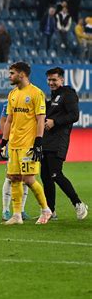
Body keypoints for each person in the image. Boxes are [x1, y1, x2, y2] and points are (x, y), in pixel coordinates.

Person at [0, 62, 52, 225]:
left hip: (28, 144)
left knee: (29, 179)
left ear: (22, 74)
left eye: (12, 73)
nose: (10, 76)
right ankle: (16, 215)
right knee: (14, 178)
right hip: (14, 144)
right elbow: (9, 120)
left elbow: (40, 119)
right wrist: (4, 141)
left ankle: (45, 210)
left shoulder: (36, 93)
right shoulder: (12, 94)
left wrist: (38, 141)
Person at [41, 67, 88, 220]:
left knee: (56, 174)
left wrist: (55, 122)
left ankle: (78, 203)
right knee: (46, 176)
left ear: (62, 80)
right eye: (49, 80)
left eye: (54, 80)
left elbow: (74, 115)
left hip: (59, 139)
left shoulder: (68, 94)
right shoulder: (54, 97)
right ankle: (50, 211)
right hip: (47, 140)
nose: (51, 83)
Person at [0, 102, 30, 221]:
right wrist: (6, 139)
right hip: (13, 143)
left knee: (26, 176)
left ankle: (21, 210)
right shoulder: (10, 100)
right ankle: (6, 210)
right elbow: (3, 121)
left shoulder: (33, 96)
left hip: (27, 143)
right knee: (10, 176)